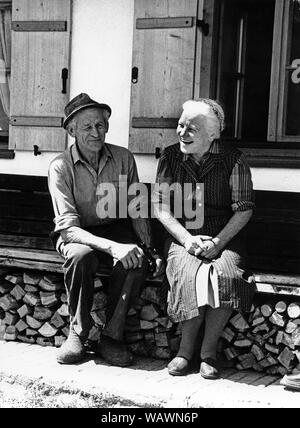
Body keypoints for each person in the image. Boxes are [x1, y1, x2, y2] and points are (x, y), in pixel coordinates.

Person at [48, 93, 163, 367]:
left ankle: (112, 336)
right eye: (86, 127)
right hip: (78, 233)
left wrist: (148, 248)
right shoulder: (60, 167)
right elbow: (68, 228)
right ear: (71, 131)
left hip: (115, 229)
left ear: (107, 127)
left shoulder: (123, 158)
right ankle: (78, 331)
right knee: (80, 257)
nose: (95, 132)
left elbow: (136, 208)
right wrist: (112, 247)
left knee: (136, 262)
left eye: (100, 125)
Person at [153, 98, 256, 379]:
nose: (182, 132)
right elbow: (160, 206)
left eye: (192, 128)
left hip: (224, 235)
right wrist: (187, 240)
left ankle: (208, 352)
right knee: (189, 273)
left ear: (212, 134)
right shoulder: (170, 157)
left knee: (224, 274)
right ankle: (185, 352)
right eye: (181, 125)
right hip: (182, 233)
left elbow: (244, 209)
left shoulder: (234, 160)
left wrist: (217, 243)